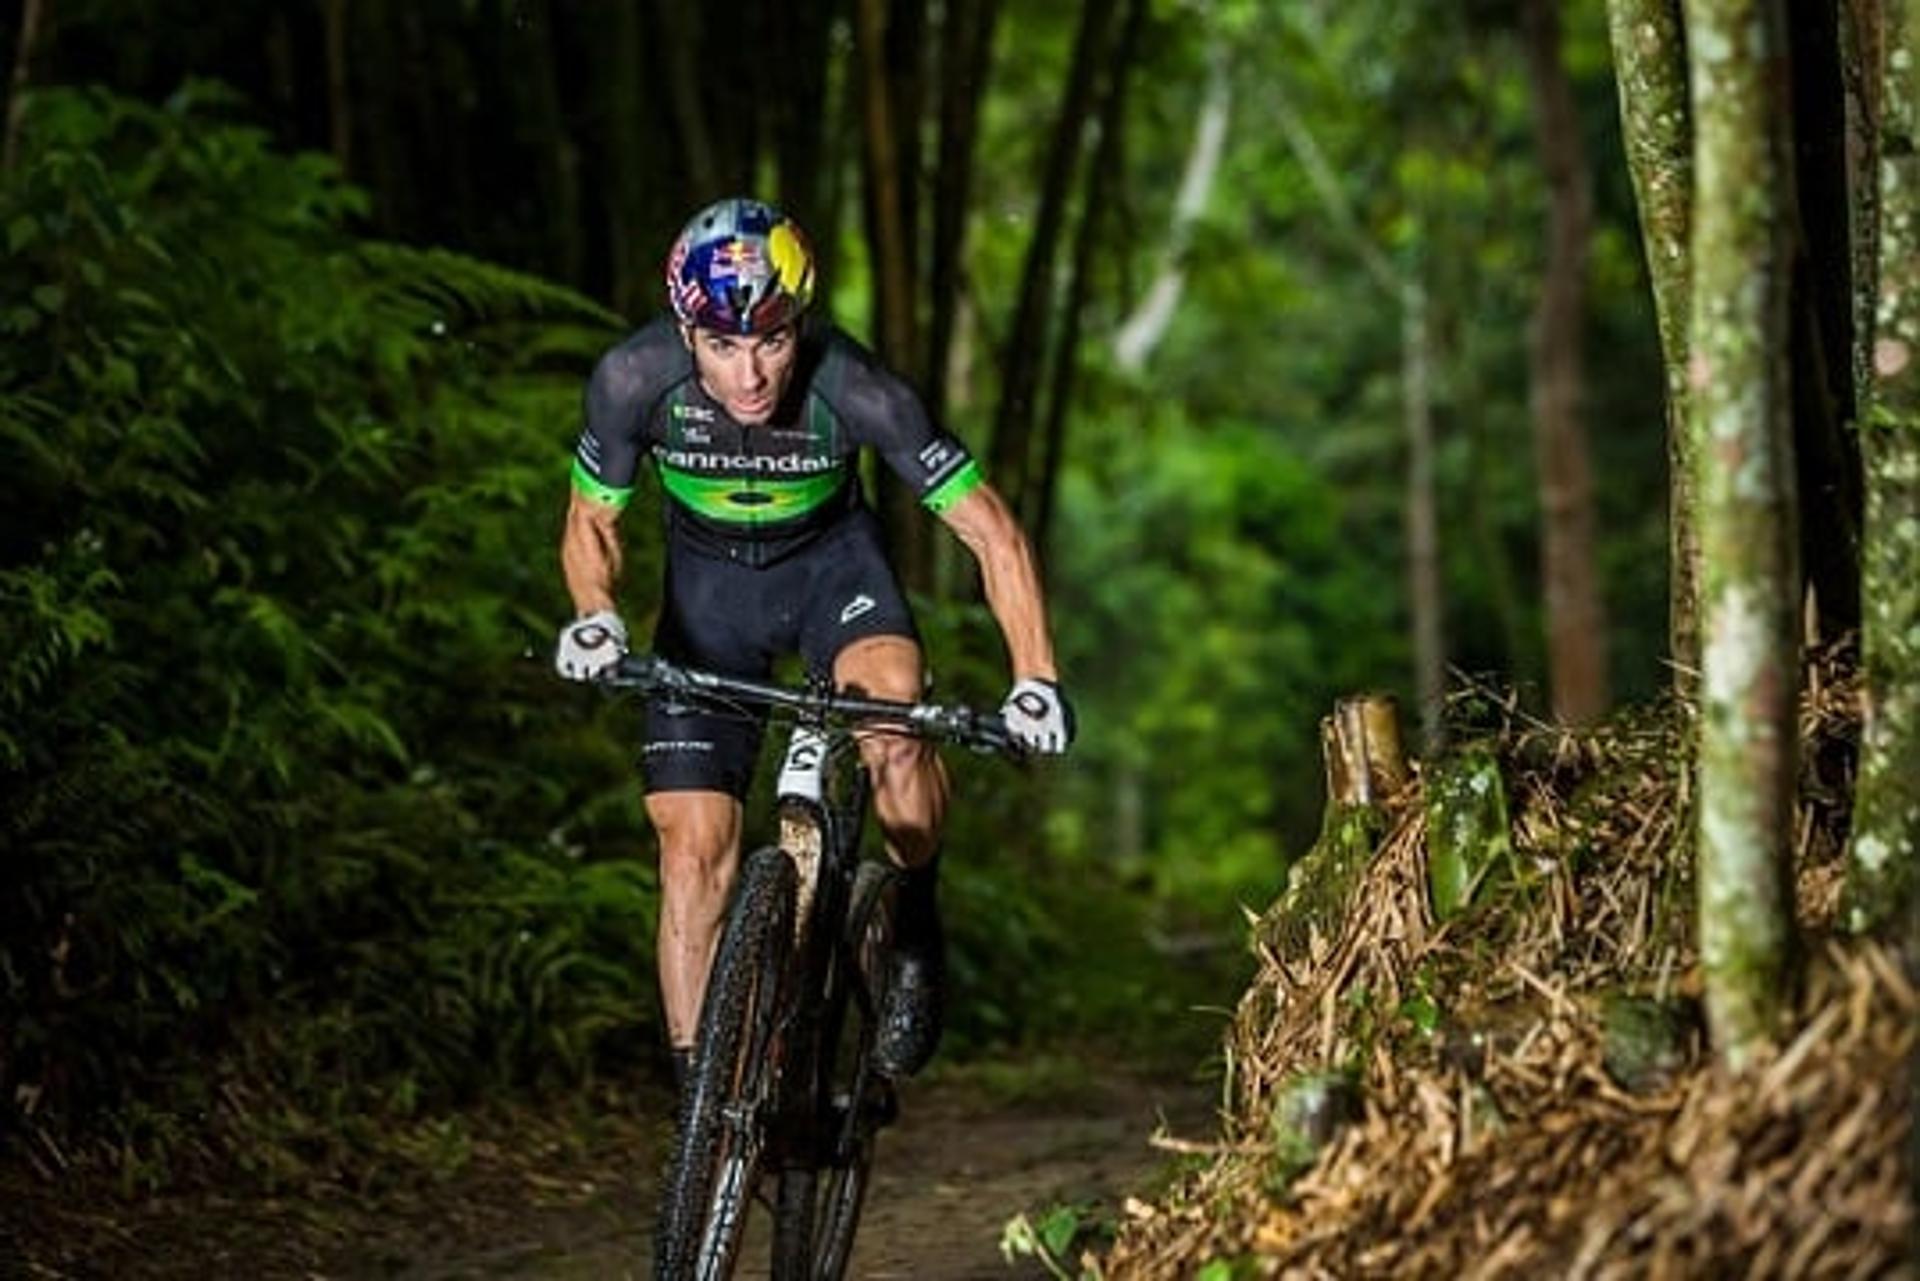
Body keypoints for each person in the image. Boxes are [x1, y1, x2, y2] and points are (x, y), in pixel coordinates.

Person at [553, 197, 1073, 1083]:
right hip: (707, 605)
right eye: (722, 346)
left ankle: (913, 919)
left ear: (801, 320)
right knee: (689, 850)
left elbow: (992, 533)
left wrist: (1036, 677)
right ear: (686, 330)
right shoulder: (631, 379)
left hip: (838, 580)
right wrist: (596, 615)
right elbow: (591, 521)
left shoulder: (858, 388)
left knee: (897, 747)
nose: (751, 373)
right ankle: (700, 1115)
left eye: (772, 340)